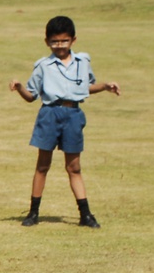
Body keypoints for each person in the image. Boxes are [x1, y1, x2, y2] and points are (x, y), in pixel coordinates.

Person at [9, 14, 120, 228]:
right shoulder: (43, 66)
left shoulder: (83, 62)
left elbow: (86, 87)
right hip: (49, 114)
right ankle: (33, 212)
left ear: (73, 40)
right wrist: (20, 87)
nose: (59, 46)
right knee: (43, 165)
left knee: (74, 166)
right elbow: (31, 96)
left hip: (73, 115)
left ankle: (85, 214)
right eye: (54, 42)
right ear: (47, 42)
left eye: (64, 41)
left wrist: (105, 86)